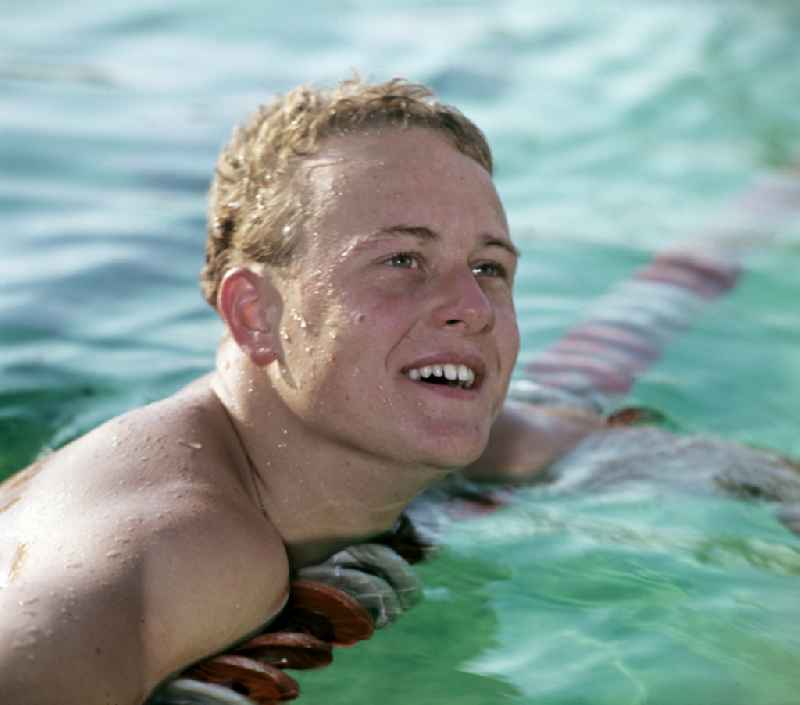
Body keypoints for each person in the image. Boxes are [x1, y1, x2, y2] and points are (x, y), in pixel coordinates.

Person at [0, 77, 603, 705]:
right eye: (402, 260)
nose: (472, 307)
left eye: (489, 268)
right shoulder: (186, 544)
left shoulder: (403, 439)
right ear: (256, 315)